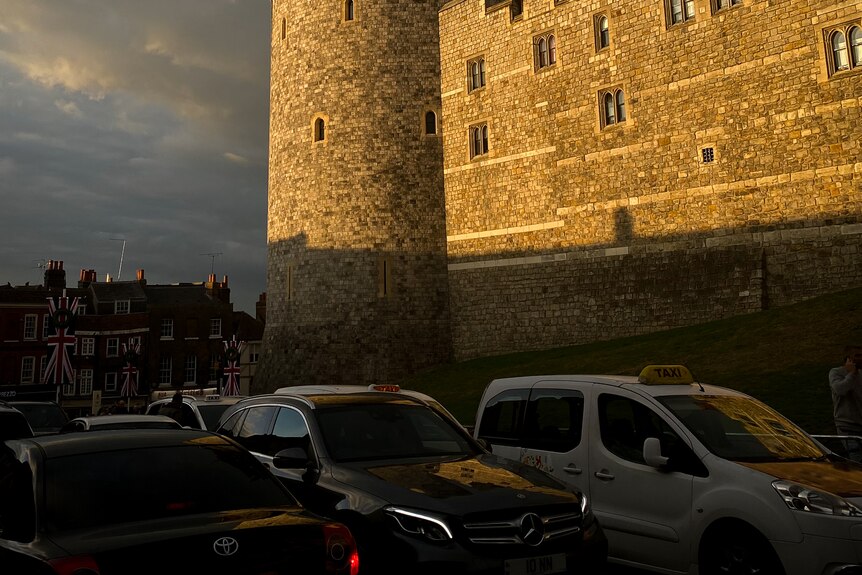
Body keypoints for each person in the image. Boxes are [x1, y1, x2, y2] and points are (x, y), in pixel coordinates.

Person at [829, 346, 862, 436]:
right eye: (857, 355)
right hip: (847, 427)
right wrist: (852, 373)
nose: (861, 358)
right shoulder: (836, 372)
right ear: (848, 359)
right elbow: (840, 390)